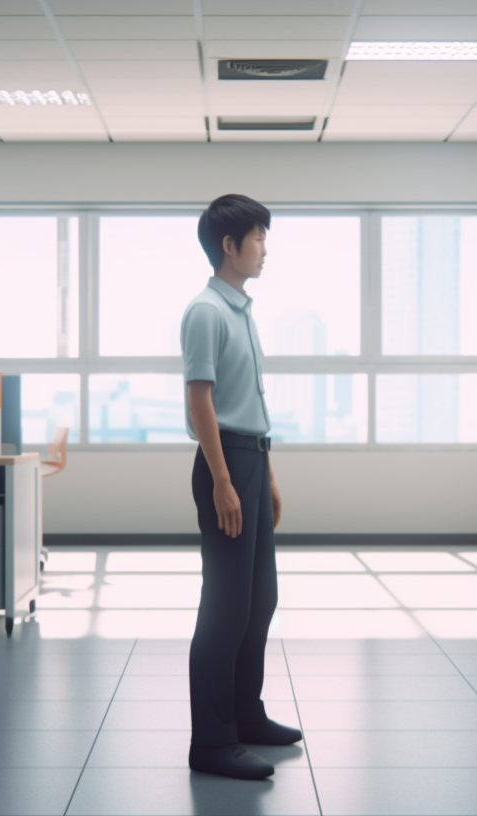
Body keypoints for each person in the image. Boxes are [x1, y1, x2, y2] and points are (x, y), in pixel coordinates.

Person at [180, 193, 301, 781]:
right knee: (225, 608)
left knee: (260, 600)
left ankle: (247, 716)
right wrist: (225, 482)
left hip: (253, 459)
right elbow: (200, 397)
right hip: (225, 463)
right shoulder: (206, 311)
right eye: (257, 239)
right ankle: (212, 740)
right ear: (229, 245)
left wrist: (266, 475)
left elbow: (249, 402)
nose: (265, 251)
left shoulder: (240, 310)